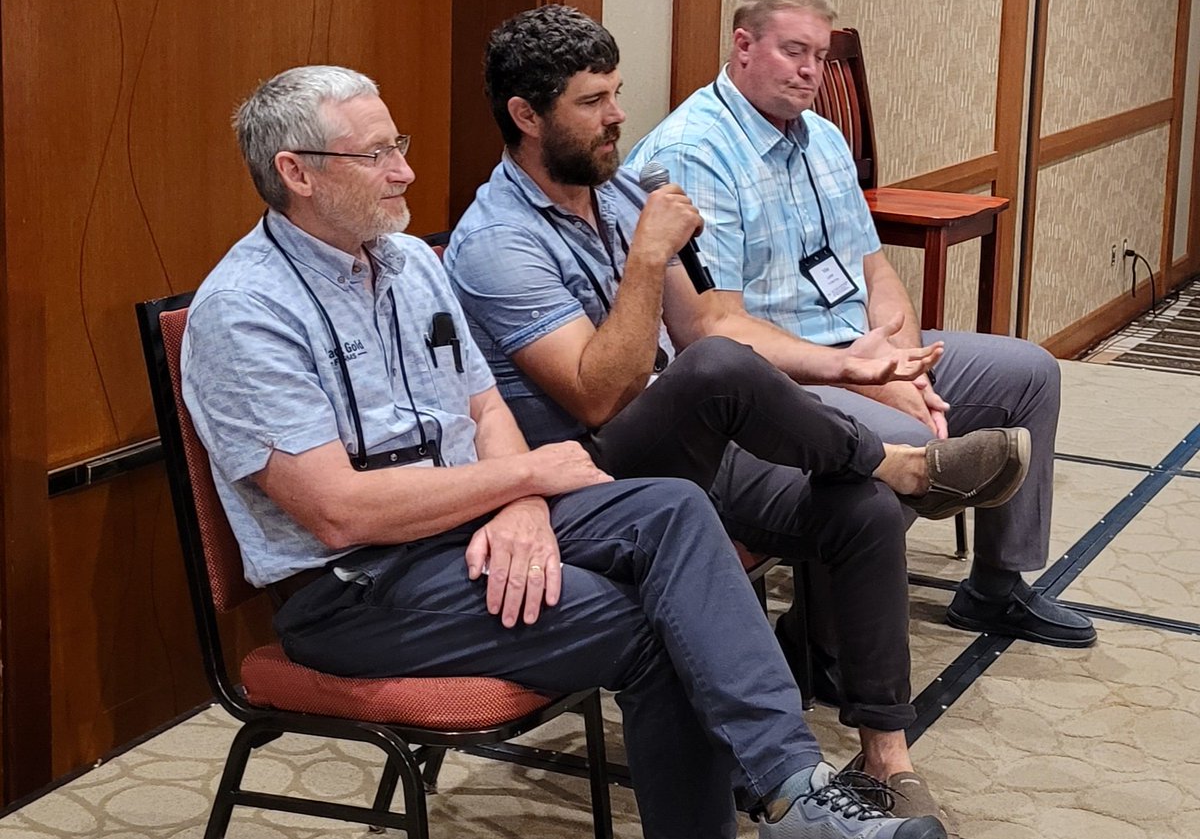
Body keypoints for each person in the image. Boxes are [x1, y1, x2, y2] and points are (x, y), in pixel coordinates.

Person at [180, 65, 948, 839]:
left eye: (399, 145)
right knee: (660, 623)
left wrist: (518, 502)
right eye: (376, 154)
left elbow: (481, 404)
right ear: (296, 173)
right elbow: (337, 512)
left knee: (674, 507)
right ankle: (793, 802)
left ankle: (794, 792)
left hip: (461, 523)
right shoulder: (246, 311)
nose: (404, 169)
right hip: (357, 587)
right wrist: (523, 478)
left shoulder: (409, 261)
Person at [444, 5, 1029, 831]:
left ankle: (885, 756)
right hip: (584, 477)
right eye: (592, 101)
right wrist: (649, 256)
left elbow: (698, 325)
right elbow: (597, 395)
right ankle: (891, 460)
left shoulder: (617, 193)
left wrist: (851, 363)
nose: (618, 116)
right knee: (722, 375)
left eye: (617, 92)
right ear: (527, 116)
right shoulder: (496, 242)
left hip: (682, 439)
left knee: (855, 508)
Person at [626, 0, 1095, 653]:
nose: (812, 70)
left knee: (1030, 372)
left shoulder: (821, 138)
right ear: (743, 46)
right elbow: (712, 330)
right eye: (794, 51)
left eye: (819, 54)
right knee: (898, 441)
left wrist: (904, 365)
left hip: (857, 348)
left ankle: (996, 585)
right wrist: (862, 376)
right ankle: (820, 640)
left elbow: (875, 270)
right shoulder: (692, 154)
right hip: (771, 377)